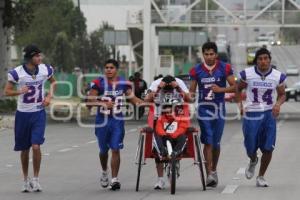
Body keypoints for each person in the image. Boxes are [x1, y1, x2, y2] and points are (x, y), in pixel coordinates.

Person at [4, 44, 56, 192]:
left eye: (40, 55)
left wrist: (49, 96)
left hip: (38, 113)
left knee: (36, 145)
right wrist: (19, 91)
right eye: (37, 56)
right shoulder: (17, 73)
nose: (40, 58)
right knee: (25, 149)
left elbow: (54, 82)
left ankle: (36, 179)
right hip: (22, 114)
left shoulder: (45, 69)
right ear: (29, 57)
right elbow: (6, 91)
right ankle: (25, 179)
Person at [87, 59, 143, 191]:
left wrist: (147, 102)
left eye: (111, 67)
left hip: (117, 120)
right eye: (106, 67)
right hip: (102, 120)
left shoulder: (123, 83)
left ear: (116, 69)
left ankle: (114, 179)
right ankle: (104, 171)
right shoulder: (98, 83)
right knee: (103, 151)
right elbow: (89, 102)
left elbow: (133, 99)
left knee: (115, 148)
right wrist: (102, 103)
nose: (108, 70)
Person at [237, 48, 286, 187]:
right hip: (252, 113)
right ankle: (253, 160)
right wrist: (240, 104)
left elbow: (282, 94)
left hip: (269, 114)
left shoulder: (277, 76)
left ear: (269, 59)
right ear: (256, 61)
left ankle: (261, 176)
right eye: (260, 59)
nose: (263, 61)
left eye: (266, 58)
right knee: (250, 147)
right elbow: (238, 88)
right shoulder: (247, 74)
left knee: (268, 148)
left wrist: (277, 104)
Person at [189, 41, 236, 187]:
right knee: (207, 141)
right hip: (203, 108)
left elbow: (235, 87)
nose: (209, 57)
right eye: (206, 54)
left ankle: (214, 169)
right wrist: (186, 97)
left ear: (216, 55)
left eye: (211, 54)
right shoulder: (196, 70)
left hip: (219, 108)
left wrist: (221, 90)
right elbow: (191, 91)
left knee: (216, 143)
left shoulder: (224, 67)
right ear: (203, 55)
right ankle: (209, 173)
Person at [144, 75, 192, 189]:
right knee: (157, 147)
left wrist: (179, 88)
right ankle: (160, 179)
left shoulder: (179, 83)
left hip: (178, 116)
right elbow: (146, 99)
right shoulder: (156, 84)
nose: (168, 91)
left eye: (170, 89)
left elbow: (190, 99)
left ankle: (176, 154)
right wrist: (158, 89)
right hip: (159, 115)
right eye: (166, 90)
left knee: (181, 134)